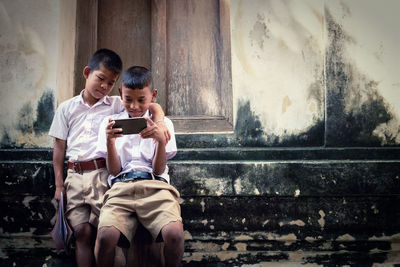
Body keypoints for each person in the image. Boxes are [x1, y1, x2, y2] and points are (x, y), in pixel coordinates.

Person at [48, 49, 169, 267]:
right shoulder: (66, 108)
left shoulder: (116, 103)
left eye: (110, 83)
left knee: (111, 231)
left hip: (103, 174)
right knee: (82, 232)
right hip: (74, 176)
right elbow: (59, 149)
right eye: (100, 79)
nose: (104, 87)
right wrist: (59, 185)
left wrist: (159, 120)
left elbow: (150, 103)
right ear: (87, 73)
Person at [95, 66, 184, 267]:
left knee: (175, 234)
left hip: (156, 187)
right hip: (120, 187)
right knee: (105, 237)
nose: (134, 106)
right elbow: (114, 171)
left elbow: (159, 170)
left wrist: (161, 141)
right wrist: (110, 141)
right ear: (120, 95)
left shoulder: (164, 125)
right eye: (128, 99)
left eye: (141, 100)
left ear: (153, 96)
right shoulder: (109, 124)